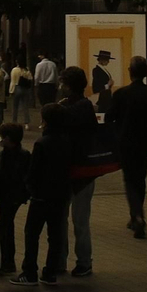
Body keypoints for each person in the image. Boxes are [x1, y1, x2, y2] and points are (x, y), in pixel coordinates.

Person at [11, 104, 72, 287]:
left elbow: (34, 171)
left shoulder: (42, 143)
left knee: (32, 233)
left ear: (46, 121)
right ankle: (50, 272)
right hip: (60, 195)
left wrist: (29, 187)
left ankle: (30, 271)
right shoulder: (67, 141)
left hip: (41, 195)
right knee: (55, 234)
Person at [108, 55, 147, 237]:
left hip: (125, 141)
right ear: (146, 73)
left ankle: (137, 215)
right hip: (145, 141)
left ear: (130, 72)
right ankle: (135, 215)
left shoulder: (121, 94)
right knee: (140, 177)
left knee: (129, 179)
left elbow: (109, 117)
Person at [58, 65, 98, 278]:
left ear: (68, 85)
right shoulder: (87, 106)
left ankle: (60, 260)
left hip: (67, 169)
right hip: (85, 170)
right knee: (81, 220)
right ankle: (83, 261)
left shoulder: (65, 108)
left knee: (61, 218)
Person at [0, 122, 31, 276]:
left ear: (8, 139)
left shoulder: (9, 156)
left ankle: (7, 261)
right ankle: (6, 261)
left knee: (5, 226)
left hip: (9, 195)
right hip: (12, 195)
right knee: (6, 224)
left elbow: (4, 177)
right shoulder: (21, 154)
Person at [8, 55, 34, 127]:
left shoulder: (14, 70)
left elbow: (12, 81)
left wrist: (10, 90)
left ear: (17, 62)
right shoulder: (26, 70)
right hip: (25, 89)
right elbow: (31, 79)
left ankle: (14, 121)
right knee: (25, 106)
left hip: (16, 88)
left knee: (14, 106)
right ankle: (26, 123)